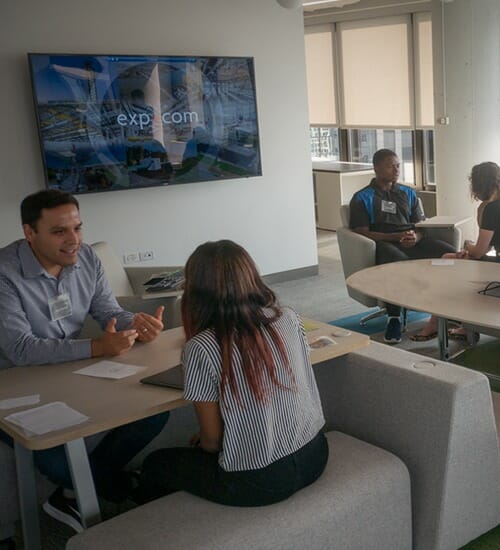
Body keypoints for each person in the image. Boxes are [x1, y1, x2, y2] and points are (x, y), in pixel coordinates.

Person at [0, 190, 168, 532]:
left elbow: (107, 310)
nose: (73, 240)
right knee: (55, 454)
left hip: (70, 371)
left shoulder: (87, 258)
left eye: (77, 228)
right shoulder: (5, 274)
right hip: (12, 382)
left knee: (154, 412)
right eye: (60, 231)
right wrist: (96, 347)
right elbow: (20, 348)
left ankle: (76, 493)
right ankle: (106, 485)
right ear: (29, 233)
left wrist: (134, 323)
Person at [132, 241, 327, 506]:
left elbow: (212, 443)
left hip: (261, 482)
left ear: (195, 291)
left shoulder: (201, 346)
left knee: (156, 463)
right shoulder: (288, 318)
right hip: (315, 455)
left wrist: (221, 438)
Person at [348, 149, 456, 344]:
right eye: (391, 166)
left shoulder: (408, 193)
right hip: (383, 243)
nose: (397, 169)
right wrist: (396, 236)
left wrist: (416, 236)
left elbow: (421, 225)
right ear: (376, 168)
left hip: (412, 240)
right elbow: (362, 231)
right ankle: (394, 317)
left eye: (398, 165)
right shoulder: (362, 197)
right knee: (399, 263)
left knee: (450, 253)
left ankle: (446, 309)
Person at [412, 162, 500, 341]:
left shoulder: (493, 208)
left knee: (446, 261)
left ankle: (440, 321)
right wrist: (469, 252)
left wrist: (467, 247)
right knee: (451, 261)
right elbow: (487, 248)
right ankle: (458, 322)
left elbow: (479, 251)